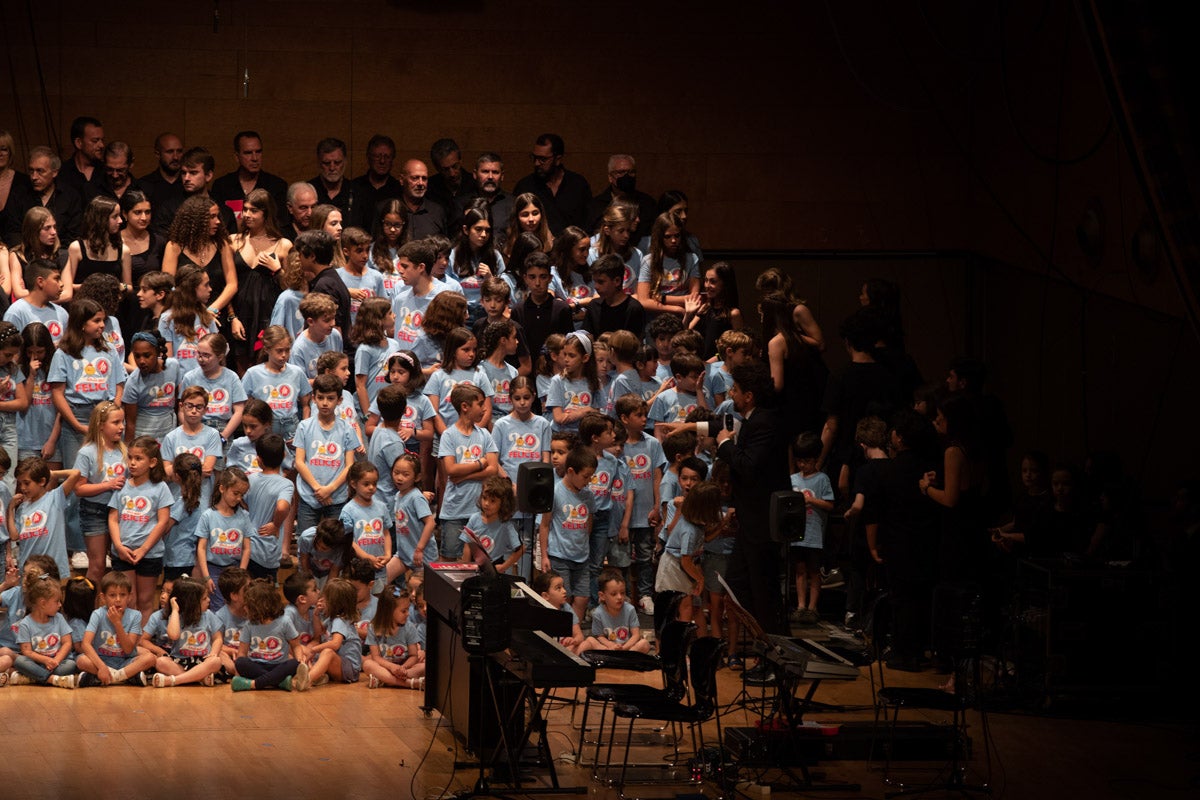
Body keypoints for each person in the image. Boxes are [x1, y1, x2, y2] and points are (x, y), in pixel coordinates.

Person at [715, 362, 791, 636]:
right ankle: (764, 646)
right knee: (737, 582)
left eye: (735, 389)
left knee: (764, 592)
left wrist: (725, 445)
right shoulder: (756, 420)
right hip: (751, 520)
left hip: (762, 524)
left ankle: (774, 653)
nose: (731, 394)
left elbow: (748, 465)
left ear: (749, 396)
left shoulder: (764, 422)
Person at [106, 436, 174, 622]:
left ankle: (141, 641)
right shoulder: (122, 486)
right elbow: (113, 518)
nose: (132, 463)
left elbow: (162, 522)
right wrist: (118, 546)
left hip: (149, 554)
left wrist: (143, 549)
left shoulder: (160, 488)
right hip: (123, 552)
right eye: (130, 458)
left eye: (138, 458)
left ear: (152, 462)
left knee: (145, 601)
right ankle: (126, 638)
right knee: (128, 600)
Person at [229, 188, 292, 370]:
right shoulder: (233, 241)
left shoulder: (283, 245)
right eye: (245, 209)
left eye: (254, 211)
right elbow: (227, 283)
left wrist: (278, 269)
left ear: (266, 214)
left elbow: (292, 289)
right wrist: (232, 317)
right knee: (241, 366)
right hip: (240, 315)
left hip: (269, 316)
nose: (247, 215)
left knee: (266, 367)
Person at [162, 194, 239, 337]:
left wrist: (211, 311)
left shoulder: (222, 245)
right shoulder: (174, 247)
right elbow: (169, 287)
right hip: (185, 317)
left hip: (216, 313)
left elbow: (232, 284)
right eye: (211, 217)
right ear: (196, 221)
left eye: (217, 216)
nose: (217, 222)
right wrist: (196, 313)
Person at [436, 384, 500, 555]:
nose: (484, 409)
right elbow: (451, 469)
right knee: (450, 560)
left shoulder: (484, 435)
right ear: (465, 407)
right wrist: (480, 463)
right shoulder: (449, 436)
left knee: (479, 561)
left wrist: (464, 477)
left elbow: (493, 469)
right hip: (454, 512)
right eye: (480, 404)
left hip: (480, 511)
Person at [294, 373, 360, 534]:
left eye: (330, 398)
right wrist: (318, 489)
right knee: (305, 541)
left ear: (339, 400)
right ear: (313, 399)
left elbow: (350, 465)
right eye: (320, 397)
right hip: (310, 496)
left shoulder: (346, 429)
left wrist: (329, 489)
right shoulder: (304, 426)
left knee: (336, 542)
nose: (325, 403)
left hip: (336, 496)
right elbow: (299, 462)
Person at [539, 445, 597, 622]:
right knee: (564, 598)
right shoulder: (555, 492)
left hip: (581, 556)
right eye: (585, 476)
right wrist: (544, 555)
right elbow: (545, 525)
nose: (588, 481)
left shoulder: (588, 495)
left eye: (591, 476)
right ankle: (563, 634)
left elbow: (589, 521)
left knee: (583, 597)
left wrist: (582, 542)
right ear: (571, 471)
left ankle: (574, 633)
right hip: (559, 555)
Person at [73, 401, 129, 583]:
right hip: (94, 510)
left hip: (120, 512)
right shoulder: (87, 452)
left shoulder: (124, 451)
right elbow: (79, 488)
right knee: (97, 566)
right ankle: (91, 609)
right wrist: (108, 485)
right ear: (100, 425)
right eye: (116, 422)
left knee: (119, 563)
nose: (121, 427)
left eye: (122, 422)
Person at [76, 571, 157, 686]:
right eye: (112, 595)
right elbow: (85, 644)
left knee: (150, 658)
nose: (118, 599)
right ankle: (126, 677)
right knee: (81, 660)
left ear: (129, 597)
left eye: (123, 595)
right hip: (101, 660)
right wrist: (101, 667)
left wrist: (117, 623)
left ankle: (104, 678)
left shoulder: (135, 615)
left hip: (126, 661)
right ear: (103, 597)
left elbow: (128, 649)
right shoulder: (97, 614)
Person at [7, 457, 82, 579]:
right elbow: (15, 535)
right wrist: (10, 508)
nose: (23, 488)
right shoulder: (22, 508)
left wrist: (51, 473)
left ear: (41, 481)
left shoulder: (55, 497)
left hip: (52, 571)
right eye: (20, 483)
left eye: (27, 483)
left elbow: (75, 473)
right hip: (29, 571)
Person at [232, 579, 311, 692]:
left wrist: (300, 659)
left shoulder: (284, 621)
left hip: (279, 665)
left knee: (294, 663)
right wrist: (238, 672)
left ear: (260, 606)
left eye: (248, 605)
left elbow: (296, 645)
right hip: (257, 665)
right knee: (240, 662)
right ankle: (280, 682)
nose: (244, 608)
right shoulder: (249, 624)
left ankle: (253, 684)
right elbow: (242, 652)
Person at [788, 432, 834, 624]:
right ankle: (800, 606)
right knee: (799, 570)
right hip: (796, 534)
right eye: (799, 461)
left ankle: (812, 607)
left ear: (815, 459)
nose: (802, 465)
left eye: (806, 461)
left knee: (814, 571)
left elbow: (830, 505)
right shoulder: (793, 479)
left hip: (814, 535)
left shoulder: (822, 479)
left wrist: (810, 500)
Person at [11, 565, 78, 688]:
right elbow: (26, 651)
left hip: (58, 663)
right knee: (20, 661)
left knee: (71, 665)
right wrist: (46, 660)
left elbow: (67, 643)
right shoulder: (26, 623)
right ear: (43, 603)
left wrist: (56, 660)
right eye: (56, 601)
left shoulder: (59, 618)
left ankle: (34, 677)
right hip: (38, 663)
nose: (59, 605)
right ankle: (52, 679)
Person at [150, 577, 224, 688]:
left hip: (203, 661)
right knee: (160, 662)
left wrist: (213, 652)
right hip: (180, 661)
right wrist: (175, 610)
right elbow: (173, 635)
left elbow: (218, 638)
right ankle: (198, 678)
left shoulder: (209, 615)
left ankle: (174, 680)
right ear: (192, 603)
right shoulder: (176, 616)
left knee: (216, 661)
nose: (209, 600)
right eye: (204, 598)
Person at [210, 131, 290, 233]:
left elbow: (281, 223)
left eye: (258, 152)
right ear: (236, 156)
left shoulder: (277, 186)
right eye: (248, 153)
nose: (255, 158)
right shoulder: (222, 185)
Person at [514, 133, 591, 234]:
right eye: (534, 157)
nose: (536, 163)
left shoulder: (578, 185)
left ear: (558, 159)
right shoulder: (525, 186)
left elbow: (588, 222)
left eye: (543, 159)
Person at [152, 147, 237, 238]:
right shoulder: (169, 209)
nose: (186, 178)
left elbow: (230, 244)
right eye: (184, 173)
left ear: (208, 175)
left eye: (193, 173)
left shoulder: (224, 211)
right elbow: (162, 244)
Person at [181, 333, 246, 446]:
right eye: (199, 354)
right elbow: (181, 410)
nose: (201, 359)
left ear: (220, 357)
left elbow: (239, 411)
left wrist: (223, 436)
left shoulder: (231, 377)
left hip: (223, 429)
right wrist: (190, 432)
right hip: (196, 425)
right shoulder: (190, 377)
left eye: (206, 355)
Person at [63, 195, 131, 302]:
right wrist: (95, 287)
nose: (120, 221)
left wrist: (120, 287)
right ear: (101, 219)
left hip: (113, 309)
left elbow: (129, 286)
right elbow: (67, 286)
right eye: (115, 217)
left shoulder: (123, 250)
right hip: (84, 307)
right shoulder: (77, 248)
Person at [637, 211, 701, 319]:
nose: (673, 240)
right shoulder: (649, 261)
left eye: (677, 235)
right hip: (657, 320)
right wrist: (676, 308)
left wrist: (662, 298)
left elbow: (694, 298)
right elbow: (643, 301)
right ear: (660, 237)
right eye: (667, 236)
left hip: (684, 318)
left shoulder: (691, 259)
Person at [296, 230, 352, 346]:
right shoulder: (330, 277)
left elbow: (335, 328)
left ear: (312, 256)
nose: (298, 258)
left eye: (300, 254)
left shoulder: (325, 285)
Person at [585, 154, 657, 241]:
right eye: (620, 172)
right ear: (610, 177)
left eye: (631, 172)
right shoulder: (595, 206)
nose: (626, 176)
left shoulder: (648, 203)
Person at [364, 586, 424, 689]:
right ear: (389, 611)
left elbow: (413, 656)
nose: (408, 614)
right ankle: (409, 683)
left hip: (405, 669)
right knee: (368, 664)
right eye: (403, 611)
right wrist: (392, 667)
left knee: (423, 666)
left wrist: (402, 669)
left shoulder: (409, 627)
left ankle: (384, 680)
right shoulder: (373, 628)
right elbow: (376, 657)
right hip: (385, 668)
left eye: (408, 610)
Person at [459, 474, 522, 572]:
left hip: (495, 570)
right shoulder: (474, 518)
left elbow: (520, 549)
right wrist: (465, 568)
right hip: (474, 568)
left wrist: (504, 566)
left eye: (493, 501)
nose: (487, 503)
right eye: (484, 498)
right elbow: (468, 545)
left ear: (503, 503)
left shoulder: (505, 524)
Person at [580, 567, 650, 653]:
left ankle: (626, 656)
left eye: (622, 593)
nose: (619, 597)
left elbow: (635, 635)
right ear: (602, 596)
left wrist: (624, 648)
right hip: (608, 649)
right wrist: (611, 646)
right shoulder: (597, 613)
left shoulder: (630, 609)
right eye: (614, 594)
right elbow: (599, 636)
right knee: (590, 640)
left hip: (628, 648)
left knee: (644, 643)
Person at [307, 578, 364, 686]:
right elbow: (319, 632)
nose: (321, 600)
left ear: (335, 603)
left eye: (325, 598)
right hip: (341, 665)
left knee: (327, 652)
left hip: (349, 669)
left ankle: (308, 679)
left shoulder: (340, 621)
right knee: (316, 652)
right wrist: (316, 614)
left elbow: (335, 644)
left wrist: (314, 650)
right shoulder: (333, 619)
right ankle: (317, 676)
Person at [23, 147, 82, 245]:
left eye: (40, 171)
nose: (34, 177)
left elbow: (74, 234)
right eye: (31, 171)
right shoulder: (21, 195)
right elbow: (13, 231)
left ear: (54, 172)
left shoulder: (70, 196)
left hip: (61, 254)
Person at [456, 152, 514, 248]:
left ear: (502, 176)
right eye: (485, 172)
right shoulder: (461, 204)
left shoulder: (512, 203)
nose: (490, 177)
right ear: (475, 174)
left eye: (495, 172)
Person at [6, 256, 68, 341]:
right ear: (40, 282)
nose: (61, 284)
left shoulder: (62, 313)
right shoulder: (16, 313)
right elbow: (10, 349)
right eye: (56, 279)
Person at [308, 138, 360, 229]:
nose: (332, 168)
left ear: (345, 162)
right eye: (326, 163)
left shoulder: (359, 192)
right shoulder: (308, 191)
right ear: (319, 163)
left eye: (337, 162)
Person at [353, 134, 403, 223]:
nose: (382, 161)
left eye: (387, 157)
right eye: (377, 156)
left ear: (392, 159)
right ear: (368, 157)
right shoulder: (354, 187)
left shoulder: (400, 190)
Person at [59, 115, 106, 202]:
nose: (101, 145)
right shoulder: (63, 173)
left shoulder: (107, 172)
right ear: (79, 143)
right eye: (95, 141)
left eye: (102, 140)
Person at [138, 133, 185, 219]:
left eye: (179, 151)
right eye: (170, 152)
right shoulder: (144, 185)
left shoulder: (189, 183)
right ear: (157, 154)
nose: (176, 157)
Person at [427, 138, 478, 217]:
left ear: (460, 161)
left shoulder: (475, 184)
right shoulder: (430, 188)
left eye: (455, 166)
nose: (452, 174)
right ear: (437, 168)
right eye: (446, 169)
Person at [398, 159, 446, 239]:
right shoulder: (388, 209)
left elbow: (444, 247)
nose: (420, 183)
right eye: (415, 178)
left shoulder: (437, 212)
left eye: (424, 178)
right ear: (402, 180)